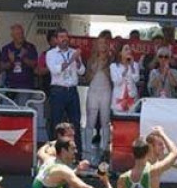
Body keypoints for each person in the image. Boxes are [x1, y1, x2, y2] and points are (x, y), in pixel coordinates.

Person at [29, 139, 115, 188]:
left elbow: (40, 152)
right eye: (73, 149)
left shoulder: (49, 159)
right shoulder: (62, 169)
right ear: (63, 151)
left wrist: (50, 143)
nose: (76, 152)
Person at [46, 28, 85, 159]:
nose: (64, 39)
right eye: (61, 37)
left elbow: (82, 71)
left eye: (66, 36)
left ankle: (77, 155)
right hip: (58, 90)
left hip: (72, 90)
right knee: (56, 123)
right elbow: (55, 70)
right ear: (56, 39)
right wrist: (70, 60)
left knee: (75, 123)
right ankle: (53, 155)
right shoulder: (51, 54)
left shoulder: (74, 52)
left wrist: (78, 60)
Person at [85, 31, 114, 159]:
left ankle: (105, 149)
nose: (102, 45)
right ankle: (86, 149)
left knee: (105, 120)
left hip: (106, 91)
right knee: (90, 120)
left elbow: (113, 78)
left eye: (105, 43)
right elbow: (87, 78)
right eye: (100, 43)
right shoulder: (91, 58)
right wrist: (96, 66)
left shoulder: (112, 59)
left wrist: (105, 65)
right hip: (93, 91)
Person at [0, 23, 39, 105]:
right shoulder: (7, 48)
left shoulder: (30, 47)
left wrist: (23, 58)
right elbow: (1, 67)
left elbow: (34, 64)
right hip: (10, 86)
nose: (20, 36)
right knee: (9, 112)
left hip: (25, 86)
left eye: (21, 33)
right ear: (12, 35)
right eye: (17, 34)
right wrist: (11, 61)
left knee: (23, 112)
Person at [110, 44, 140, 112]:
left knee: (131, 120)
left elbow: (136, 79)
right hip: (118, 99)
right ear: (120, 53)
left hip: (132, 98)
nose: (129, 51)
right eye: (126, 49)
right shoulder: (114, 66)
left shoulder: (135, 64)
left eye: (129, 49)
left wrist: (132, 67)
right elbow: (116, 82)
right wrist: (125, 70)